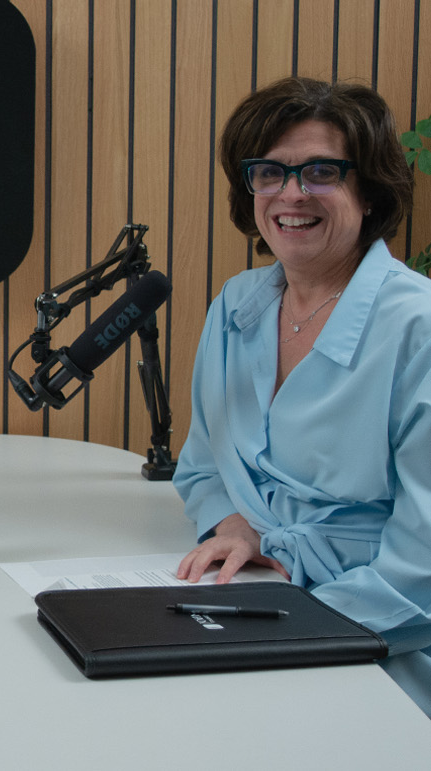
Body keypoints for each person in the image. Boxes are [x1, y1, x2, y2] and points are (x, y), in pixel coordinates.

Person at [173, 76, 431, 713]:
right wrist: (237, 525)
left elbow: (423, 571)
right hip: (255, 602)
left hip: (380, 639)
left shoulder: (418, 329)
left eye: (321, 171)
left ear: (368, 190)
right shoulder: (237, 306)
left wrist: (281, 628)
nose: (292, 194)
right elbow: (203, 465)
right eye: (270, 172)